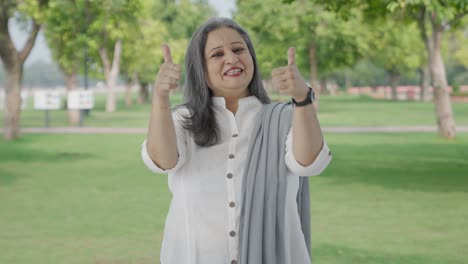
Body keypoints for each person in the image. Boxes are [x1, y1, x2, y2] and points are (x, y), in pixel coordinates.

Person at [141, 17, 332, 264]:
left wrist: (302, 99)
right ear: (200, 68)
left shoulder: (285, 118)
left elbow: (309, 164)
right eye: (217, 54)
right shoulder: (182, 120)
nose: (231, 58)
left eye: (239, 49)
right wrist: (160, 98)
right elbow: (162, 161)